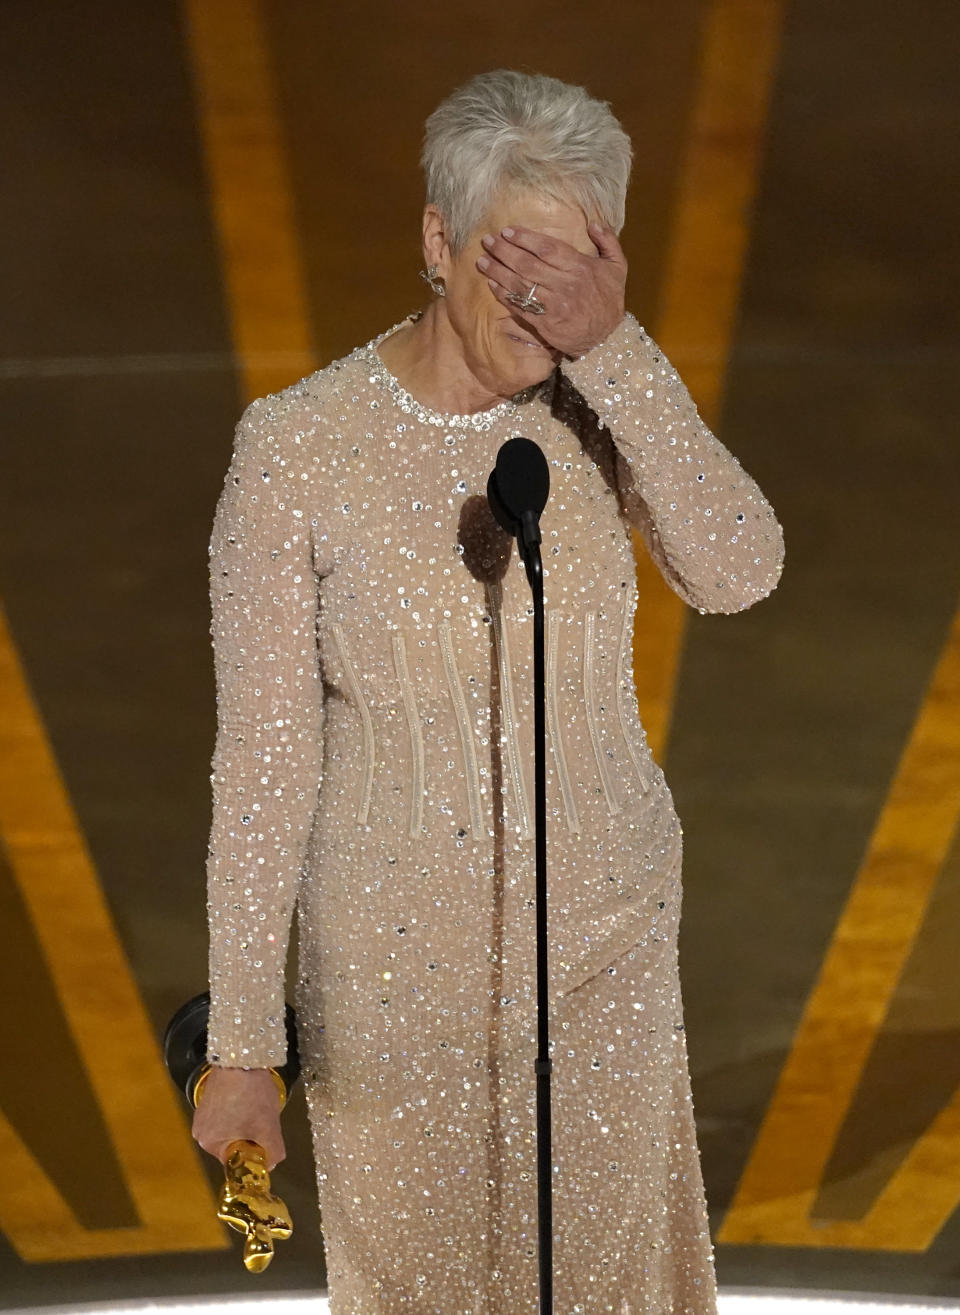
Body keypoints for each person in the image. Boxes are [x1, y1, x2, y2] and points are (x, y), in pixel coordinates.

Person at [192, 68, 784, 1314]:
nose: (538, 307)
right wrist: (243, 1043)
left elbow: (740, 569)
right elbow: (262, 765)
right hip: (391, 985)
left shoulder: (595, 402)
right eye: (511, 270)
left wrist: (617, 351)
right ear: (434, 239)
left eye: (569, 278)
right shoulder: (298, 448)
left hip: (604, 952)